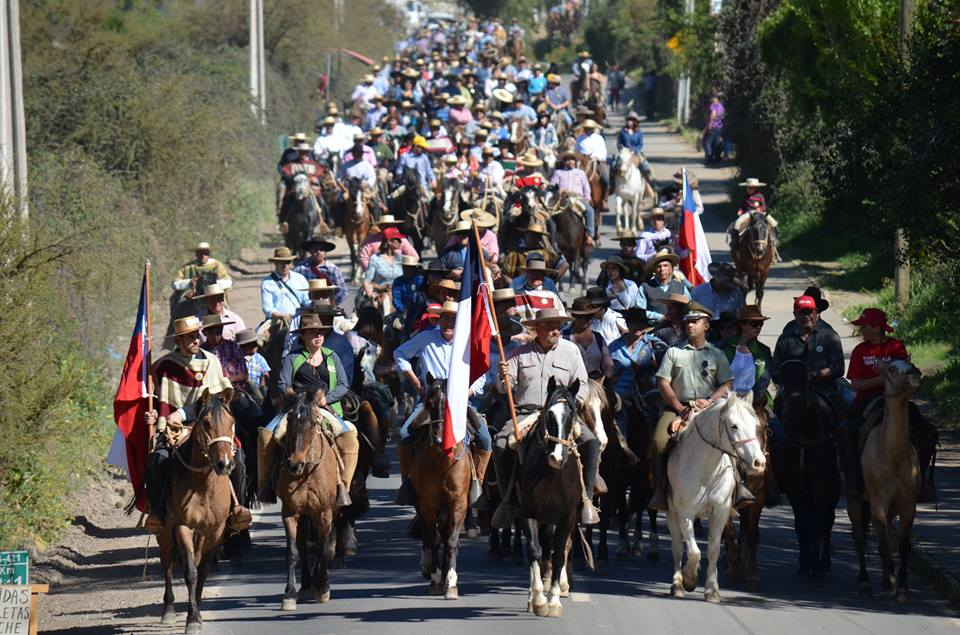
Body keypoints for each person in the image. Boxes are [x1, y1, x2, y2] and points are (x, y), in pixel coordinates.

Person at [491, 308, 602, 527]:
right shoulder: (518, 354)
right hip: (528, 413)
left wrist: (568, 406)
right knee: (501, 443)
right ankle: (507, 501)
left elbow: (581, 386)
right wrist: (502, 376)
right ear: (536, 330)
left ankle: (587, 498)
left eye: (557, 327)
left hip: (562, 412)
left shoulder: (572, 351)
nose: (555, 331)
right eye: (549, 327)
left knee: (591, 442)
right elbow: (505, 388)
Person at [143, 316, 250, 534]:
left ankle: (236, 508)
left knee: (237, 457)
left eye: (196, 336)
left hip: (211, 425)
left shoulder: (211, 361)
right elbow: (153, 395)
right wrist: (153, 413)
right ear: (180, 340)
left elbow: (219, 398)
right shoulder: (166, 364)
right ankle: (159, 510)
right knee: (159, 458)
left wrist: (182, 412)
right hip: (175, 430)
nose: (196, 340)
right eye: (190, 337)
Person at [649, 302, 745, 511]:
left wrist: (710, 400)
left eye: (695, 322)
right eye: (687, 322)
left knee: (732, 436)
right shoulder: (673, 352)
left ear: (707, 326)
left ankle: (738, 489)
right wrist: (677, 406)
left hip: (709, 409)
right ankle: (661, 490)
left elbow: (727, 382)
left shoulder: (716, 354)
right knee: (658, 441)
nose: (690, 325)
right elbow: (663, 382)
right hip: (677, 408)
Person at [393, 301, 491, 504]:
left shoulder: (468, 341)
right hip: (432, 403)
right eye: (445, 318)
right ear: (439, 319)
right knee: (404, 434)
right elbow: (399, 353)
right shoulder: (426, 338)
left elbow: (482, 373)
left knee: (485, 438)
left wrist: (468, 391)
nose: (449, 322)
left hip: (460, 402)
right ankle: (408, 484)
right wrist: (415, 381)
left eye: (454, 318)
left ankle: (477, 484)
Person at [258, 313, 360, 506]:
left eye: (320, 332)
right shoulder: (293, 357)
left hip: (326, 409)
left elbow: (343, 385)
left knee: (350, 438)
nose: (318, 336)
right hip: (297, 408)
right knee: (266, 434)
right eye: (312, 332)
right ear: (302, 336)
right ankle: (266, 486)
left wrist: (325, 399)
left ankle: (343, 487)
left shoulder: (332, 357)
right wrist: (299, 399)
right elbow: (283, 384)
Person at [839, 308, 936, 500]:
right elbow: (856, 384)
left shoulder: (896, 348)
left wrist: (891, 381)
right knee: (844, 429)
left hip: (897, 400)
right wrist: (879, 380)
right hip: (866, 399)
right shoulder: (860, 350)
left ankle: (922, 480)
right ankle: (853, 479)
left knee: (928, 432)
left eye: (864, 326)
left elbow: (904, 376)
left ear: (876, 328)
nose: (861, 331)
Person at [770, 295, 848, 413]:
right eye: (802, 312)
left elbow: (839, 368)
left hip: (824, 388)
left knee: (849, 410)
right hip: (791, 390)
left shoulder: (830, 336)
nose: (807, 316)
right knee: (773, 416)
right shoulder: (785, 339)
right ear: (795, 315)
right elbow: (775, 370)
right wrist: (790, 378)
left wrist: (816, 375)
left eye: (810, 312)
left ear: (816, 313)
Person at [609, 307, 665, 429]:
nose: (638, 326)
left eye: (641, 322)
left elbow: (668, 360)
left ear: (645, 325)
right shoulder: (614, 346)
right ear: (627, 323)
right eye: (633, 322)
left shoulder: (653, 343)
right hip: (620, 395)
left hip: (646, 396)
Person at [550, 149, 596, 244]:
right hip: (563, 199)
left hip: (577, 198)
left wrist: (587, 199)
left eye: (572, 159)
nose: (569, 162)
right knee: (550, 214)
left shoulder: (581, 173)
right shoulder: (558, 172)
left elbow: (586, 188)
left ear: (575, 161)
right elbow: (552, 186)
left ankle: (589, 235)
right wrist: (560, 192)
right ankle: (549, 235)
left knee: (590, 211)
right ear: (563, 162)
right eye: (567, 160)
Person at [563, 297, 614, 381]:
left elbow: (608, 364)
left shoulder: (599, 338)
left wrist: (603, 379)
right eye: (580, 317)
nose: (584, 320)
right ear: (573, 316)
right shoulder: (563, 337)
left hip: (596, 385)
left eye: (588, 316)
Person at [637, 250, 690, 324]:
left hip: (677, 329)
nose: (662, 269)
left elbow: (689, 308)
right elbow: (639, 311)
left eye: (665, 265)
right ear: (654, 271)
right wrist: (659, 317)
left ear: (671, 269)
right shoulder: (645, 287)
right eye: (659, 266)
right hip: (652, 330)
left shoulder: (681, 287)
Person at [293, 236, 347, 305]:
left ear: (325, 252)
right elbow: (293, 287)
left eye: (321, 249)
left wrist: (332, 304)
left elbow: (343, 291)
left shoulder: (333, 269)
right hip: (307, 307)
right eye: (315, 249)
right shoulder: (300, 269)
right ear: (310, 251)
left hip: (329, 307)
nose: (318, 252)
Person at [260, 247, 309, 321]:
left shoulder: (300, 278)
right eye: (282, 262)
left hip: (300, 320)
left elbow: (306, 300)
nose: (285, 265)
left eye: (288, 262)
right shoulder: (267, 283)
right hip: (277, 322)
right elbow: (267, 308)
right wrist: (279, 315)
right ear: (275, 263)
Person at [363, 228, 405, 310]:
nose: (401, 242)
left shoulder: (401, 258)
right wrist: (371, 294)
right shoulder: (375, 259)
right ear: (389, 241)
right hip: (382, 295)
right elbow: (367, 281)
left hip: (400, 295)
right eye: (398, 240)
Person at [237, 329, 270, 406]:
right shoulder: (237, 358)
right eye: (253, 343)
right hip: (242, 390)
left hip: (257, 389)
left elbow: (265, 374)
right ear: (244, 346)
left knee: (264, 401)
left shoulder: (259, 358)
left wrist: (262, 387)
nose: (256, 345)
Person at [576, 119, 608, 194]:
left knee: (605, 179)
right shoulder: (579, 138)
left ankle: (604, 198)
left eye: (590, 128)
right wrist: (579, 157)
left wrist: (597, 157)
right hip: (582, 161)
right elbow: (576, 150)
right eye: (587, 127)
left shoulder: (599, 138)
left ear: (593, 128)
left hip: (596, 161)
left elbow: (603, 151)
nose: (588, 129)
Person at [702, 93, 725, 163]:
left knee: (707, 142)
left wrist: (709, 125)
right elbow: (723, 116)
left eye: (712, 98)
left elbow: (713, 115)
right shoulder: (721, 106)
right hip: (719, 127)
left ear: (716, 98)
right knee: (716, 143)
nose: (711, 99)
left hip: (713, 126)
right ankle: (717, 158)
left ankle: (709, 157)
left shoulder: (713, 106)